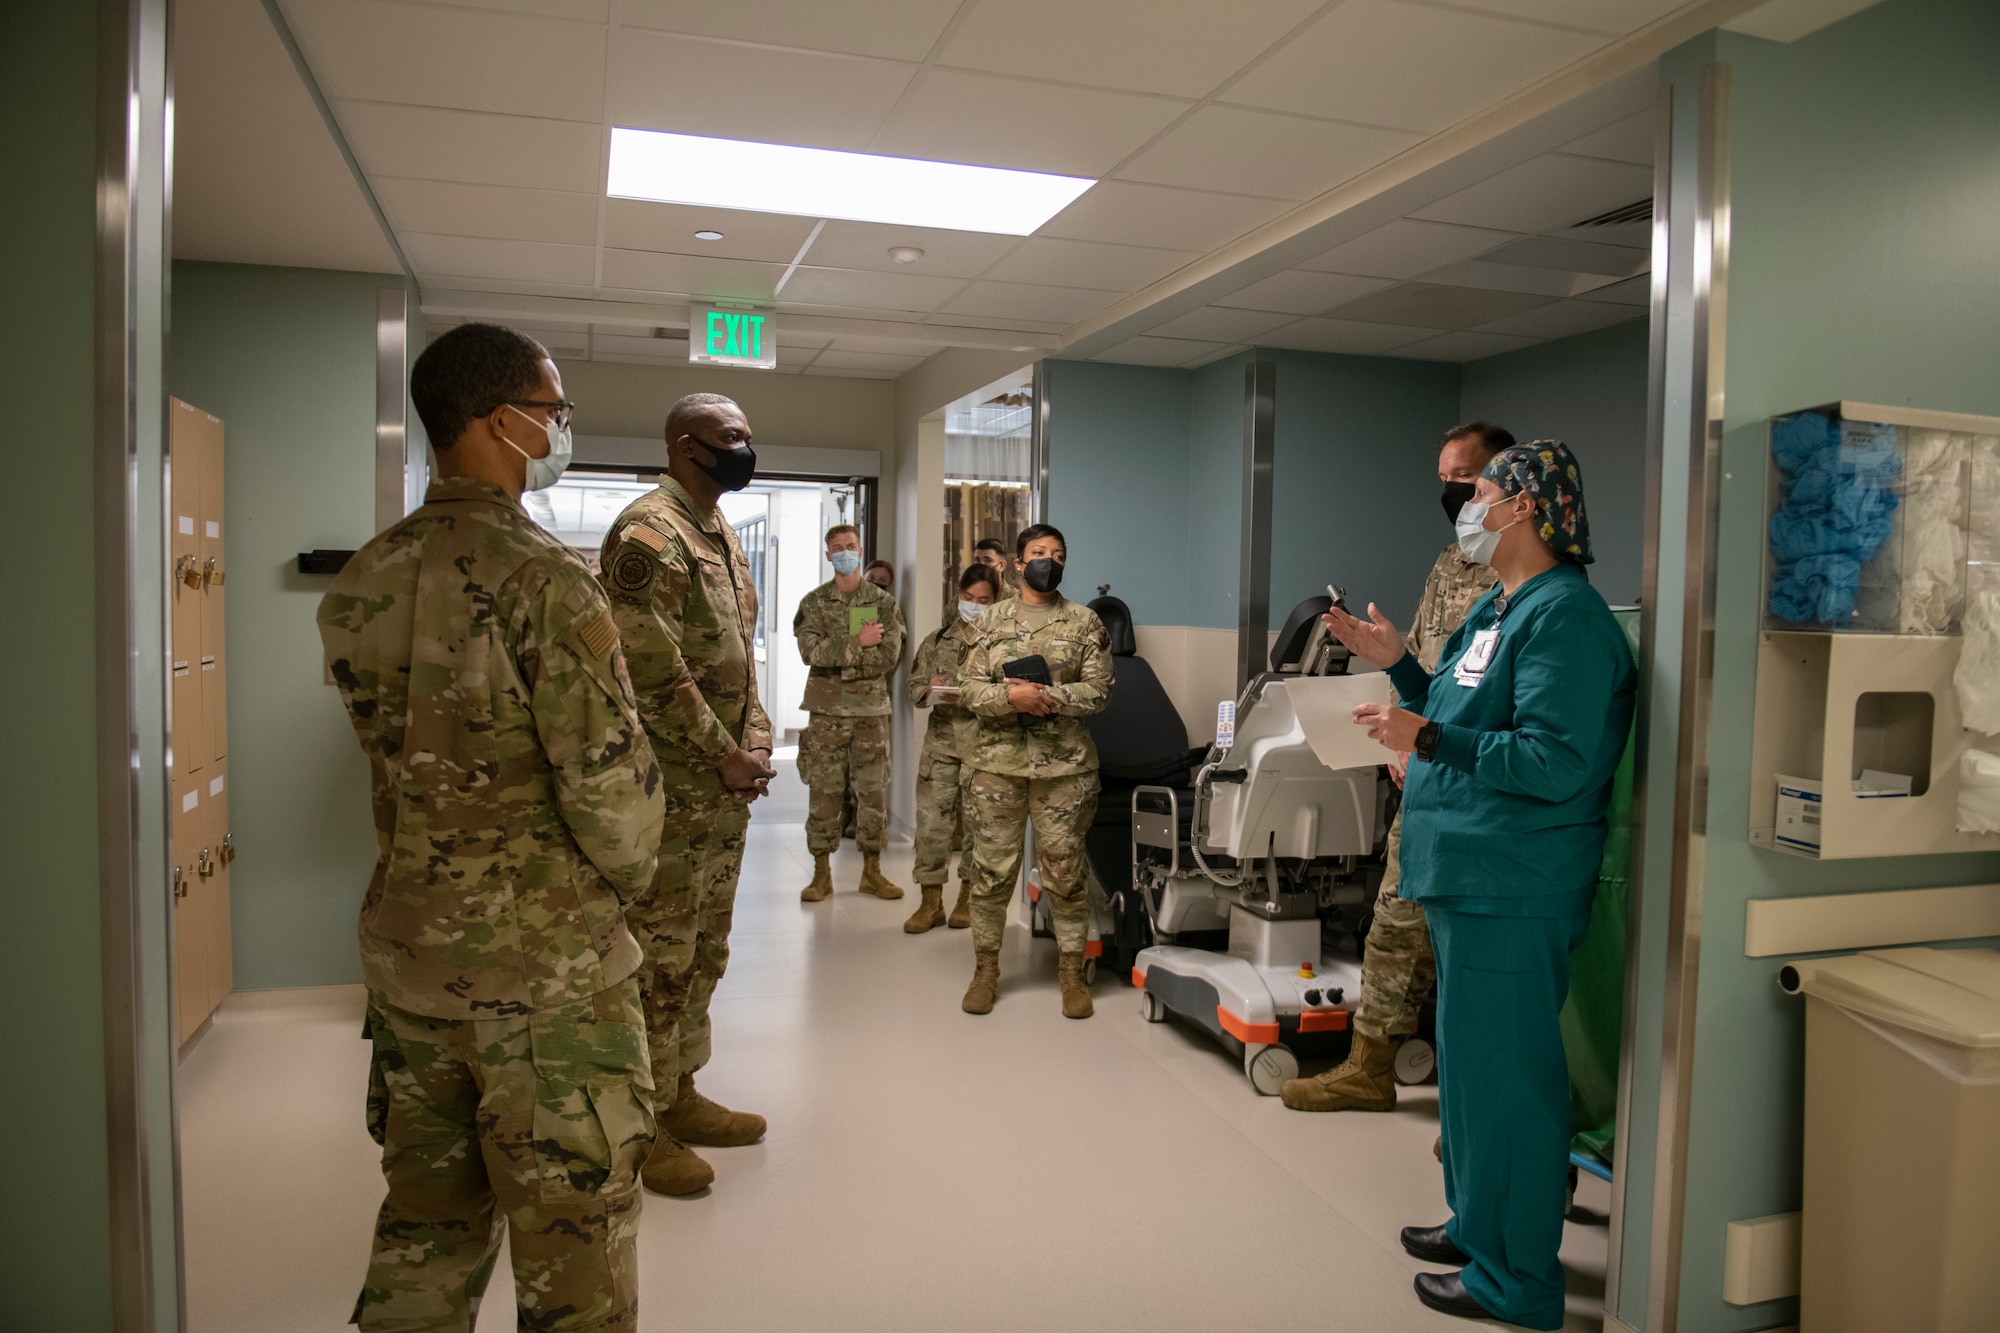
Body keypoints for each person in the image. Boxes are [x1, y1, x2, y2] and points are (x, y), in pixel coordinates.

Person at [318, 323, 663, 1332]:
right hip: (546, 985)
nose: (558, 428)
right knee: (574, 1245)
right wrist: (627, 892)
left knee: (426, 1228)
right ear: (496, 419)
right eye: (551, 410)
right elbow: (612, 797)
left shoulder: (364, 578)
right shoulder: (546, 579)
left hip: (412, 961)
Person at [1321, 441, 1637, 1330]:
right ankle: (1477, 1225)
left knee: (1509, 1085)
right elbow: (1462, 712)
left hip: (1515, 881)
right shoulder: (1501, 607)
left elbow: (1552, 759)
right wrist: (1402, 664)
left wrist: (1424, 739)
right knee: (1469, 1073)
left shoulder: (1564, 617)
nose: (1468, 504)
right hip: (1467, 873)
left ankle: (1518, 1281)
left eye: (1484, 491)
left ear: (1525, 509)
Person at [1282, 421, 1511, 1114]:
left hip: (1484, 790)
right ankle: (1369, 1064)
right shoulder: (1450, 564)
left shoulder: (1529, 580)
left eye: (1464, 478)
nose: (1451, 492)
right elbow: (1414, 655)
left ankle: (1476, 1104)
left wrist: (1433, 740)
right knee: (1393, 925)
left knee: (1473, 951)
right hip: (1424, 780)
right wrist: (1400, 740)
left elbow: (1501, 693)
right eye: (1442, 478)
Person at [599, 391, 776, 1197]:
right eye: (728, 437)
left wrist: (760, 738)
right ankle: (642, 1126)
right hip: (673, 787)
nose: (744, 448)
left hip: (719, 793)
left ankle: (680, 1089)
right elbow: (649, 665)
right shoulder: (648, 534)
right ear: (683, 444)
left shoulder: (718, 532)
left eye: (746, 435)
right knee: (657, 960)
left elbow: (740, 656)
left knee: (704, 949)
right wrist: (721, 752)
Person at [956, 525, 1112, 1018]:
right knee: (991, 872)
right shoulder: (988, 620)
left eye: (1058, 554)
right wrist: (1009, 696)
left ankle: (1071, 973)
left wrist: (1046, 696)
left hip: (1064, 771)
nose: (1049, 561)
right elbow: (969, 689)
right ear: (1019, 563)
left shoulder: (1085, 621)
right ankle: (985, 970)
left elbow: (1100, 691)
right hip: (996, 767)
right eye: (1039, 553)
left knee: (1065, 873)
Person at [795, 524, 908, 901]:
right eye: (837, 547)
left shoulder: (883, 603)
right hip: (826, 712)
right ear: (828, 555)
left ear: (860, 551)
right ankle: (821, 873)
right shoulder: (813, 603)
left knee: (873, 791)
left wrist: (838, 655)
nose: (845, 552)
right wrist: (858, 644)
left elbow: (889, 655)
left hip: (870, 712)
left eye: (851, 546)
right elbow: (810, 651)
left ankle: (872, 871)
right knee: (824, 790)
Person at [902, 564, 1004, 934]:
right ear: (957, 595)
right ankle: (930, 904)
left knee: (979, 828)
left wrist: (980, 697)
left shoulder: (1002, 644)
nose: (973, 605)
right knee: (932, 825)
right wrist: (930, 689)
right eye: (967, 598)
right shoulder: (936, 640)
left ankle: (965, 899)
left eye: (982, 600)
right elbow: (914, 689)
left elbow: (1013, 695)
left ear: (995, 602)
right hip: (941, 747)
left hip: (985, 747)